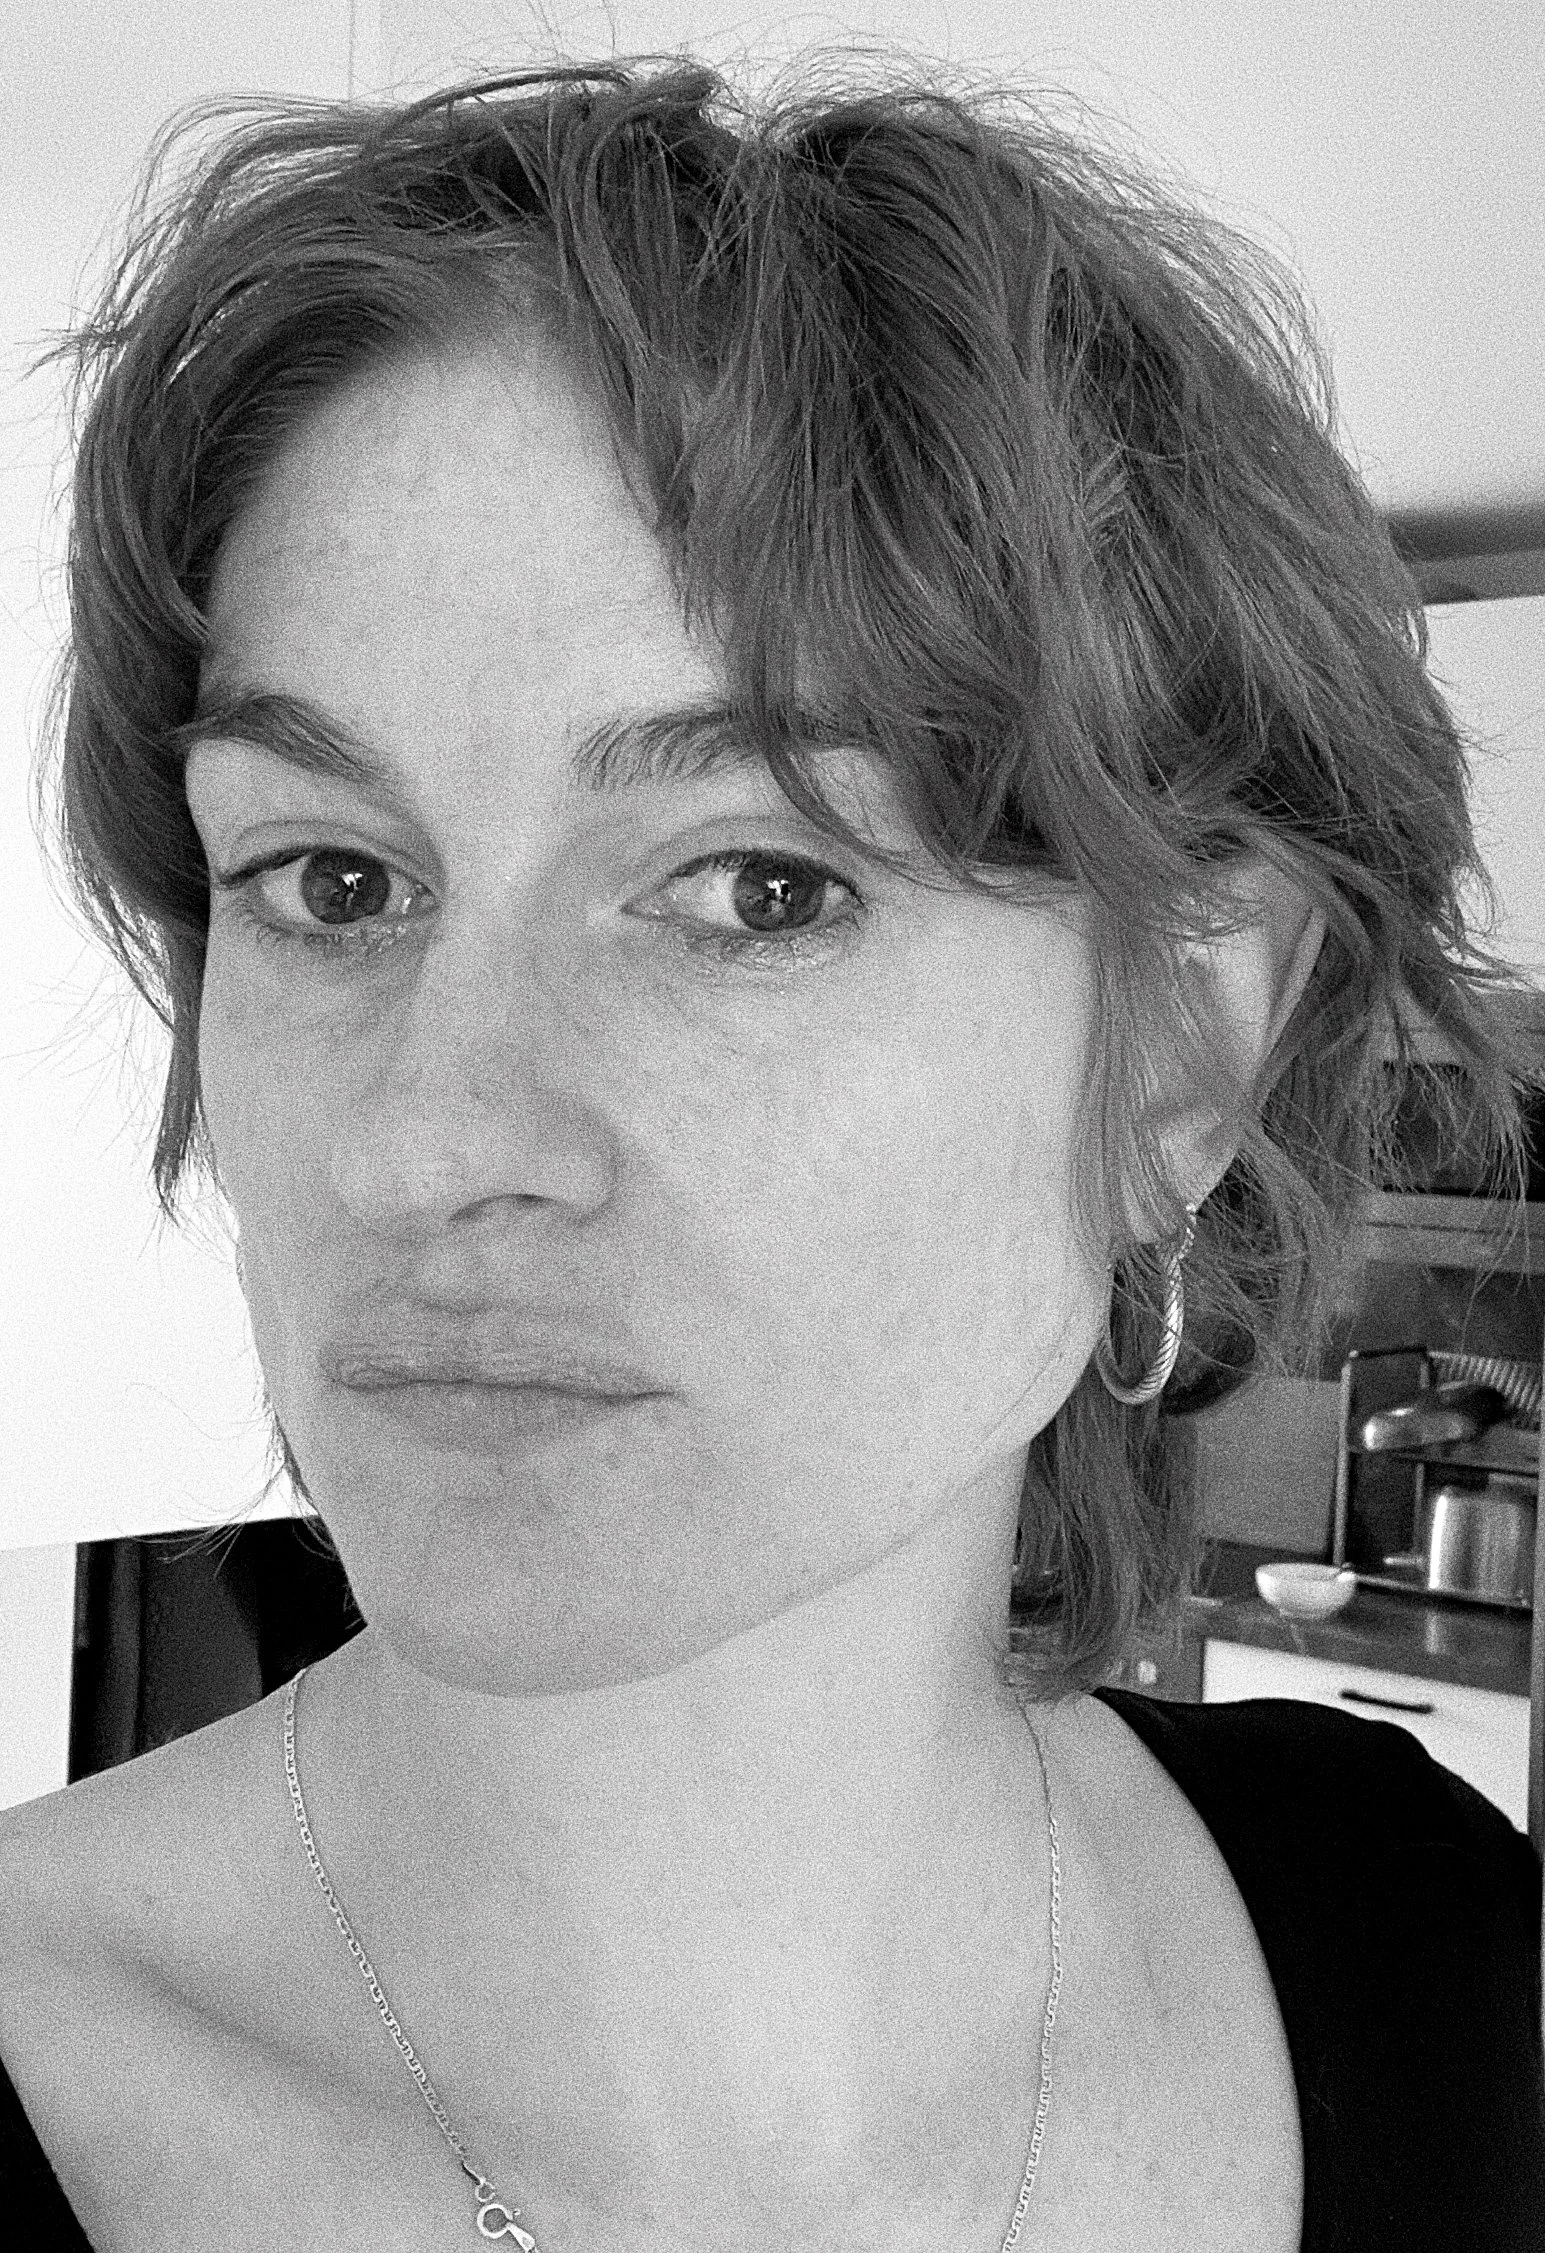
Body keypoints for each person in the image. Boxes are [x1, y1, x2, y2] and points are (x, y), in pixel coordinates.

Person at [2, 46, 1541, 2253]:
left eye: (757, 885)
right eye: (332, 879)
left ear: (1178, 1056)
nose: (423, 1140)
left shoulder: (1429, 1942)